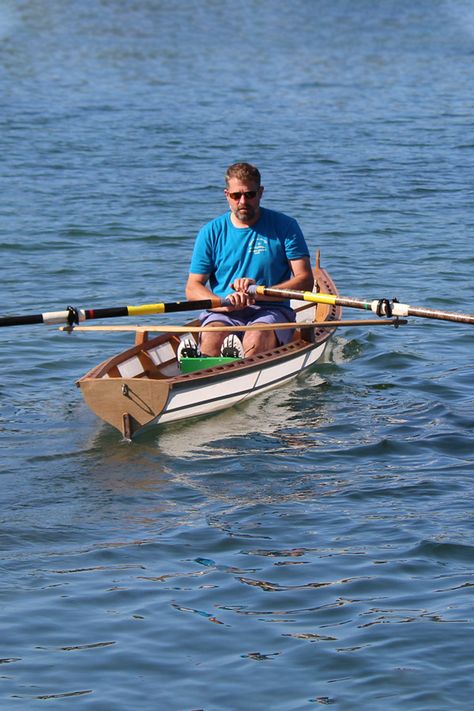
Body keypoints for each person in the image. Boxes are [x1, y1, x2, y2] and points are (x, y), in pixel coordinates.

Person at [185, 162, 314, 357]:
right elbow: (192, 287)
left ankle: (237, 363)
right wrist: (223, 302)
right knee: (212, 338)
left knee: (255, 339)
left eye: (250, 195)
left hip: (271, 310)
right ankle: (204, 366)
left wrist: (257, 294)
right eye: (236, 196)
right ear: (227, 195)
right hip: (223, 312)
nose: (243, 201)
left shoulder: (286, 226)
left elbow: (305, 280)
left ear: (260, 192)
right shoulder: (210, 232)